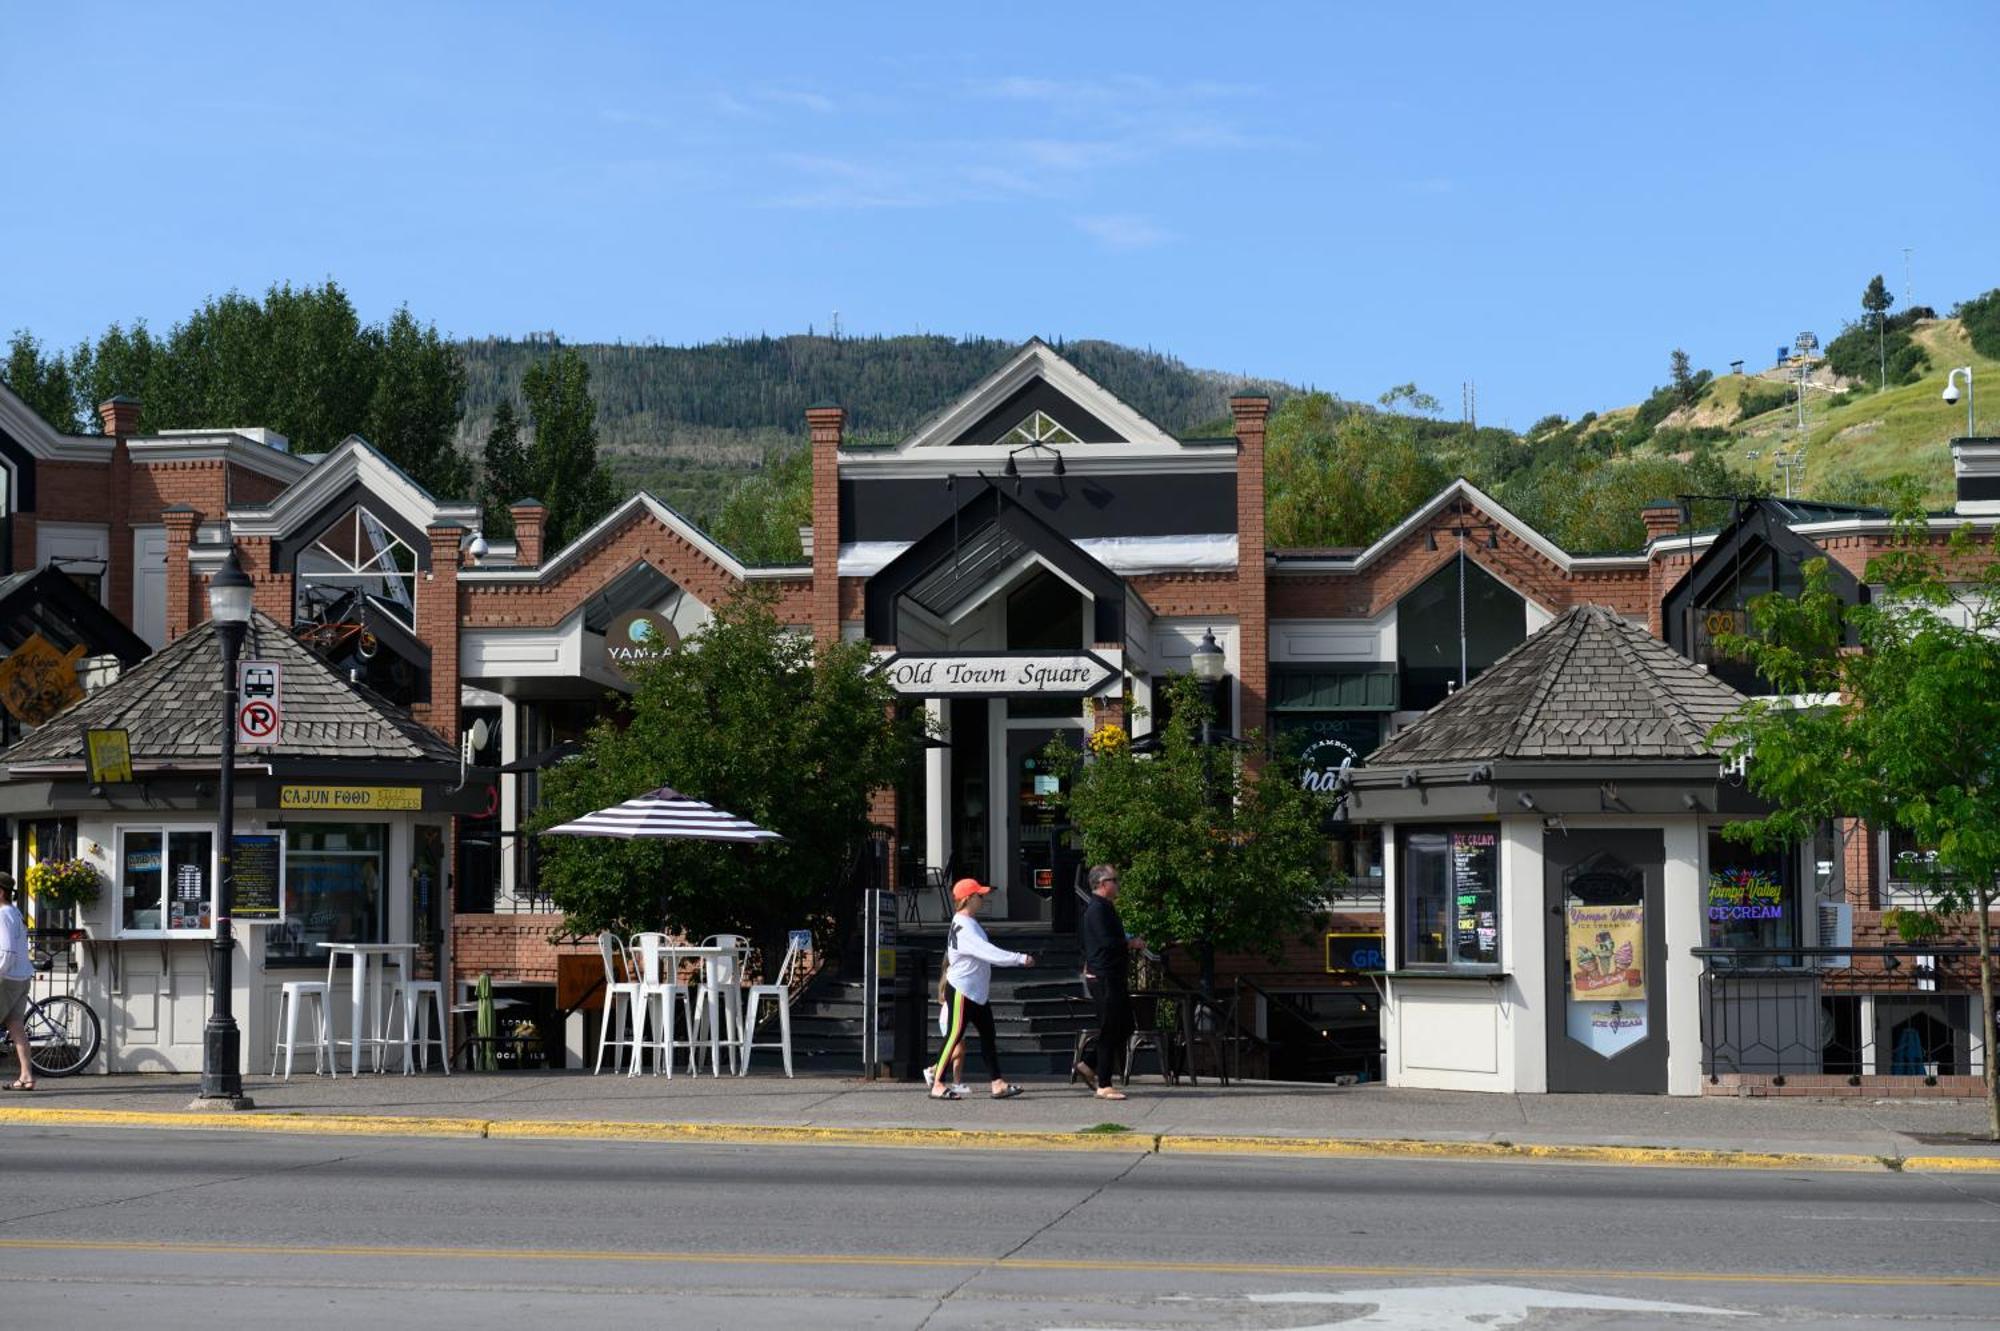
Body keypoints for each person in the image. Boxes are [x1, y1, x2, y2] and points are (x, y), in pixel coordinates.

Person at [931, 877, 1034, 1100]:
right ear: (968, 899)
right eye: (980, 895)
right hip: (962, 990)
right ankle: (937, 1084)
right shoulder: (965, 926)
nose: (984, 898)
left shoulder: (968, 922)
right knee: (953, 1037)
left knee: (988, 1035)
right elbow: (988, 952)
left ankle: (997, 1083)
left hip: (975, 992)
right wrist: (1019, 958)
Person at [1076, 863, 1144, 1101]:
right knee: (1110, 1027)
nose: (1118, 884)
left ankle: (1088, 1064)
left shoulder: (1104, 907)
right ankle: (1104, 1084)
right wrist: (1130, 943)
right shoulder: (1097, 910)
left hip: (1112, 975)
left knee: (1125, 1025)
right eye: (1115, 880)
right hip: (1104, 977)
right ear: (1103, 884)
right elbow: (1105, 942)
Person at [1, 874, 36, 1091]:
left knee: (16, 1028)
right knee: (16, 1028)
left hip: (7, 979)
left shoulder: (3, 914)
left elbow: (6, 951)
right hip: (22, 977)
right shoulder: (16, 912)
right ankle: (26, 1076)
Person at [922, 968, 967, 1096]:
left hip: (953, 1016)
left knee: (961, 1049)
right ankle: (933, 1069)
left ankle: (957, 1082)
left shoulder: (951, 973)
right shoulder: (953, 974)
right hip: (950, 1018)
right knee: (958, 1050)